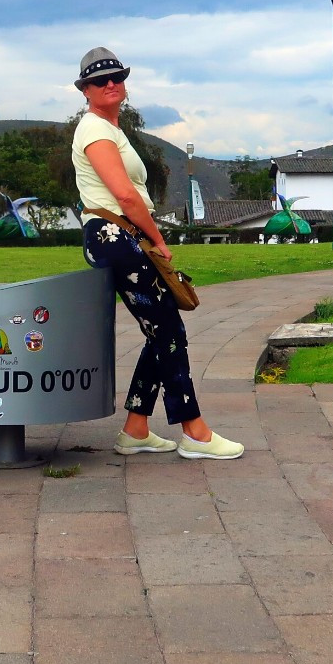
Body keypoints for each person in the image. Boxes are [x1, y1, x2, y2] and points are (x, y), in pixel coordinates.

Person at [70, 47, 242, 460]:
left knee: (161, 330)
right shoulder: (93, 129)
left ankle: (136, 428)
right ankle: (195, 431)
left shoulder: (112, 129)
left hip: (125, 236)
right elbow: (126, 196)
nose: (110, 83)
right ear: (85, 91)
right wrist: (158, 240)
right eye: (99, 80)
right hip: (115, 235)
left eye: (116, 76)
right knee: (168, 331)